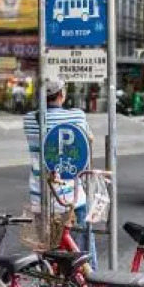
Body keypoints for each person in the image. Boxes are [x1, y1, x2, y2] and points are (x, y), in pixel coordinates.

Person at [23, 79, 97, 269]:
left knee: (48, 251)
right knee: (83, 251)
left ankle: (52, 284)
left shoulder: (29, 119)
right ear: (62, 94)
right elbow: (89, 139)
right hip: (71, 196)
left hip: (40, 196)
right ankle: (91, 282)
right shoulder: (77, 116)